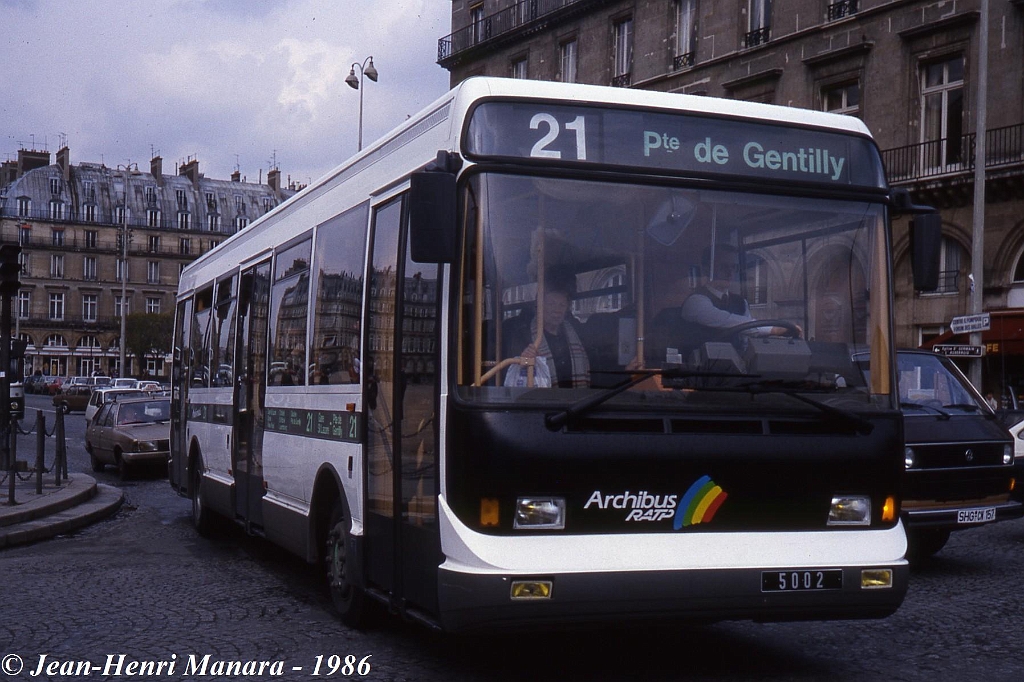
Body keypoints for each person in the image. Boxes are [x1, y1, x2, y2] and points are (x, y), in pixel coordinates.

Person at [679, 243, 800, 353]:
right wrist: (774, 329)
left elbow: (746, 338)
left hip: (735, 370)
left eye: (733, 267)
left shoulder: (740, 302)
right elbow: (727, 320)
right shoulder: (695, 302)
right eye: (724, 267)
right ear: (706, 269)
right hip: (701, 372)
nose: (730, 273)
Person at [509, 272, 590, 388]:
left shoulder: (576, 332)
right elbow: (514, 371)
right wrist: (525, 359)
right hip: (544, 401)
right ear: (539, 306)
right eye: (551, 304)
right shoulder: (523, 335)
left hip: (576, 401)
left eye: (562, 305)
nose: (557, 310)